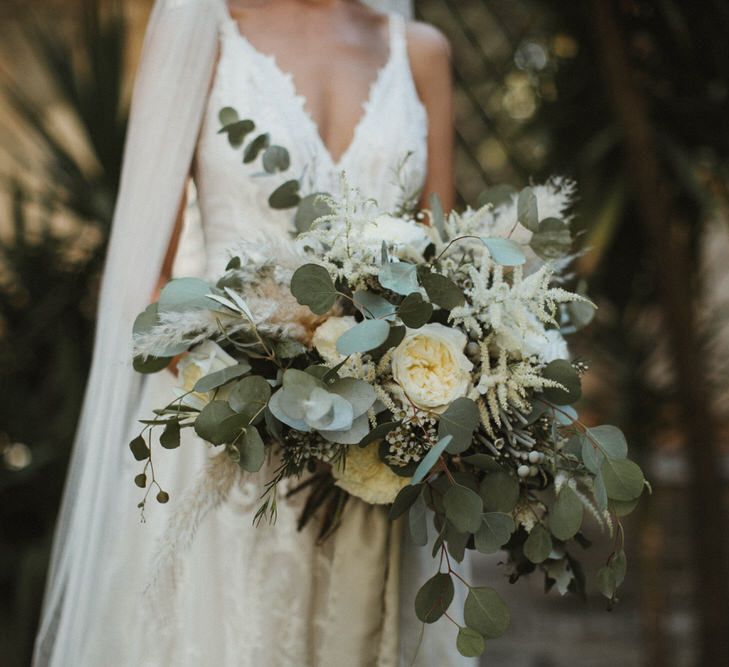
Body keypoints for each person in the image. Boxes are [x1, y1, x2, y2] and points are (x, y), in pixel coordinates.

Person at [34, 1, 470, 665]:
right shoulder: (199, 34)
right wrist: (258, 381)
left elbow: (445, 273)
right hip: (221, 450)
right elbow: (142, 281)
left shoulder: (421, 53)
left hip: (377, 462)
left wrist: (401, 392)